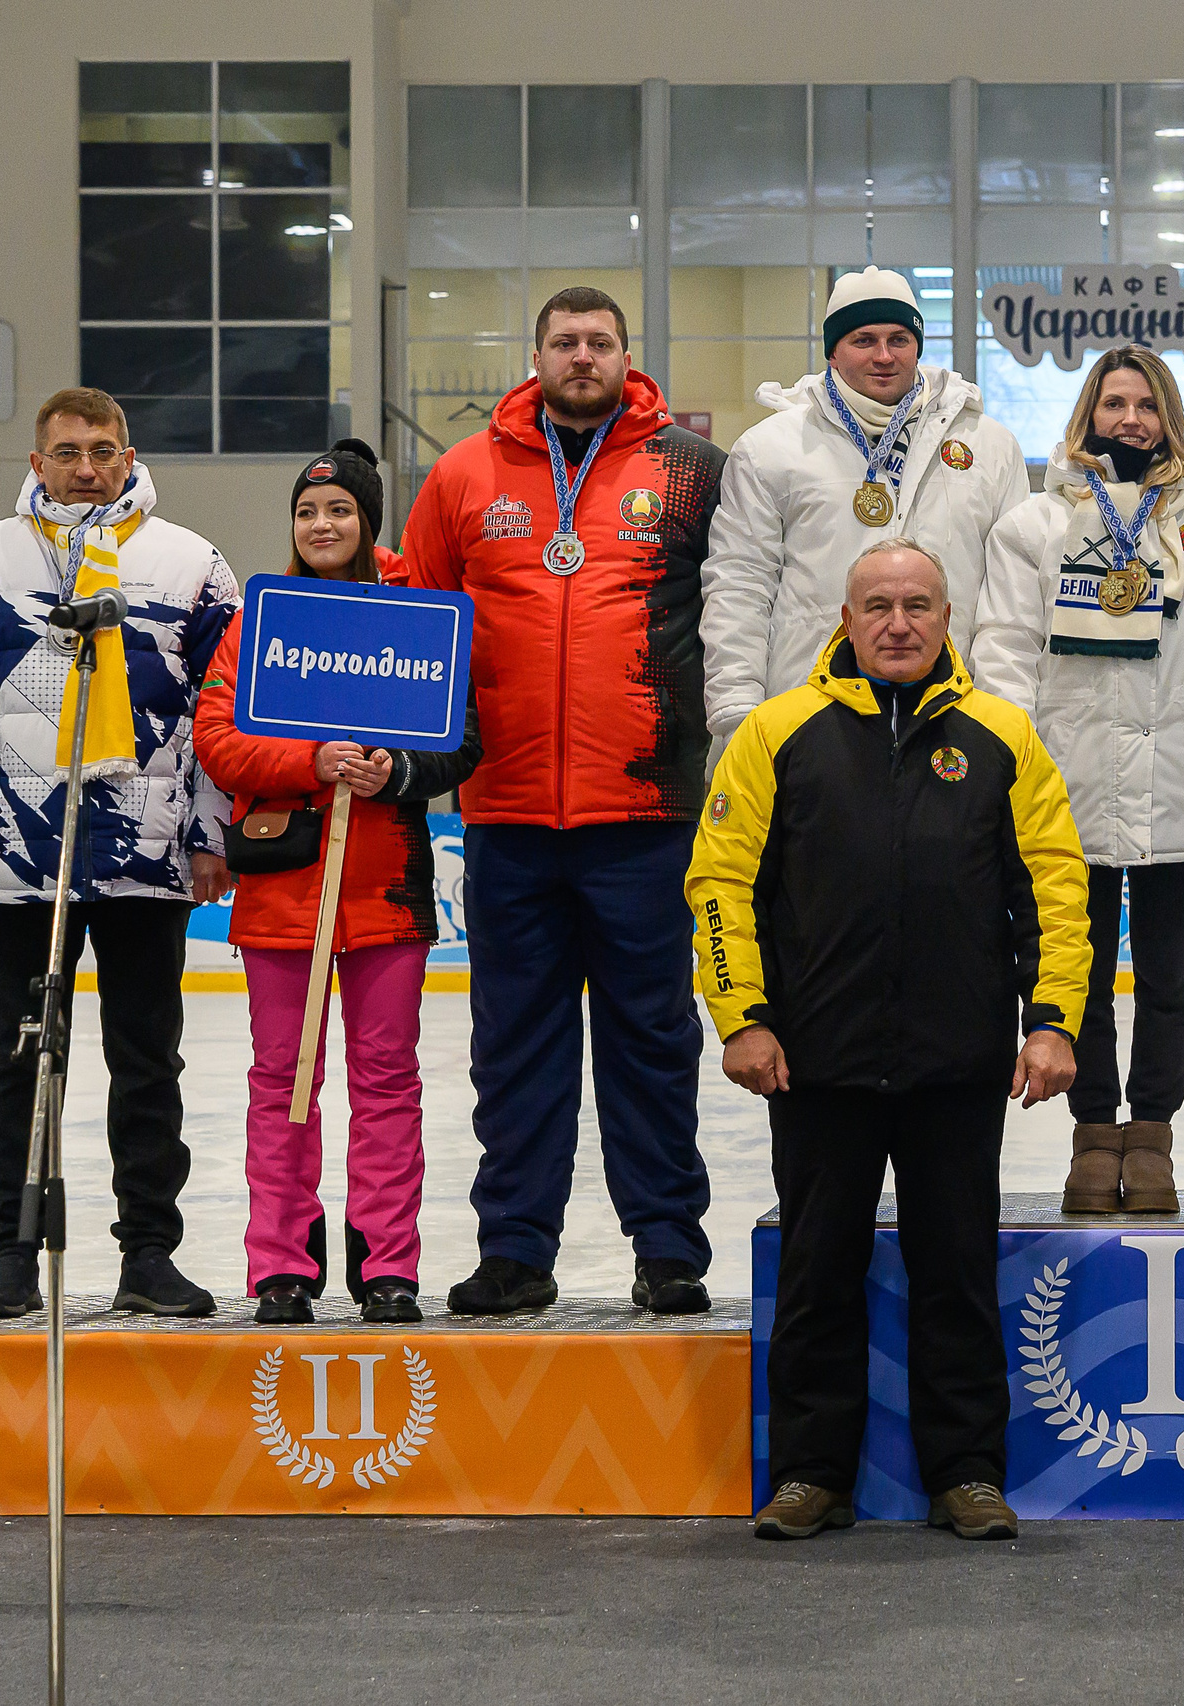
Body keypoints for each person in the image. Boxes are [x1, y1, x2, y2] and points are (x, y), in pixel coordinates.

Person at [689, 538, 1089, 1543]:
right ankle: (810, 1475)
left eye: (918, 605)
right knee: (817, 1270)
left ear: (948, 618)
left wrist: (1051, 1020)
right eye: (879, 605)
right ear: (846, 618)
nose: (899, 623)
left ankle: (968, 1475)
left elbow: (1053, 887)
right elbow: (721, 884)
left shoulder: (1003, 735)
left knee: (956, 1272)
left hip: (958, 1062)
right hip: (815, 1061)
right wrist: (741, 1017)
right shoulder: (776, 733)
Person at [401, 286, 726, 1317]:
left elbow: (736, 613)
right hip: (506, 815)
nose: (582, 356)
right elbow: (420, 623)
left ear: (628, 355)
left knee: (653, 1041)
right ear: (535, 354)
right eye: (564, 341)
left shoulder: (691, 469)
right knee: (514, 1048)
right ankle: (515, 1250)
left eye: (599, 342)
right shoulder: (464, 472)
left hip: (647, 811)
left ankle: (667, 1247)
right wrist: (419, 763)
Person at [0, 385, 239, 1319]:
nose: (85, 469)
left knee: (148, 1063)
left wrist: (211, 835)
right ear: (36, 462)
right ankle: (14, 1252)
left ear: (129, 459)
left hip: (146, 858)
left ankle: (149, 1254)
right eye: (67, 452)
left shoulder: (190, 563)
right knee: (20, 1062)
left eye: (101, 451)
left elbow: (224, 709)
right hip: (21, 862)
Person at [973, 346, 1184, 1213]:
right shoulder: (1033, 527)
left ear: (1170, 419)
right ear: (1088, 415)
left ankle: (1151, 1138)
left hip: (1183, 787)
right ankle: (1091, 1135)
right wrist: (1009, 776)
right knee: (1077, 978)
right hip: (1065, 794)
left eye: (1147, 406)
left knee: (1169, 981)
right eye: (1114, 403)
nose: (1130, 420)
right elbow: (1004, 656)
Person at [193, 442, 480, 1325]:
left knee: (388, 1082)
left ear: (368, 519)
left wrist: (395, 771)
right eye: (307, 512)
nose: (322, 525)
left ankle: (387, 1263)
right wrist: (308, 762)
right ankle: (282, 1263)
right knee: (283, 1081)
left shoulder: (418, 612)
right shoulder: (261, 619)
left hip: (386, 894)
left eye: (340, 510)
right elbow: (217, 737)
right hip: (283, 896)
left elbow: (460, 741)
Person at [701, 267, 1029, 751]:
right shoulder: (770, 449)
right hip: (807, 714)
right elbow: (739, 586)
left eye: (899, 339)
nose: (884, 356)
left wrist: (1005, 721)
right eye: (864, 340)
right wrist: (736, 712)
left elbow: (1012, 601)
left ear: (918, 346)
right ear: (832, 351)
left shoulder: (988, 445)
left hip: (952, 716)